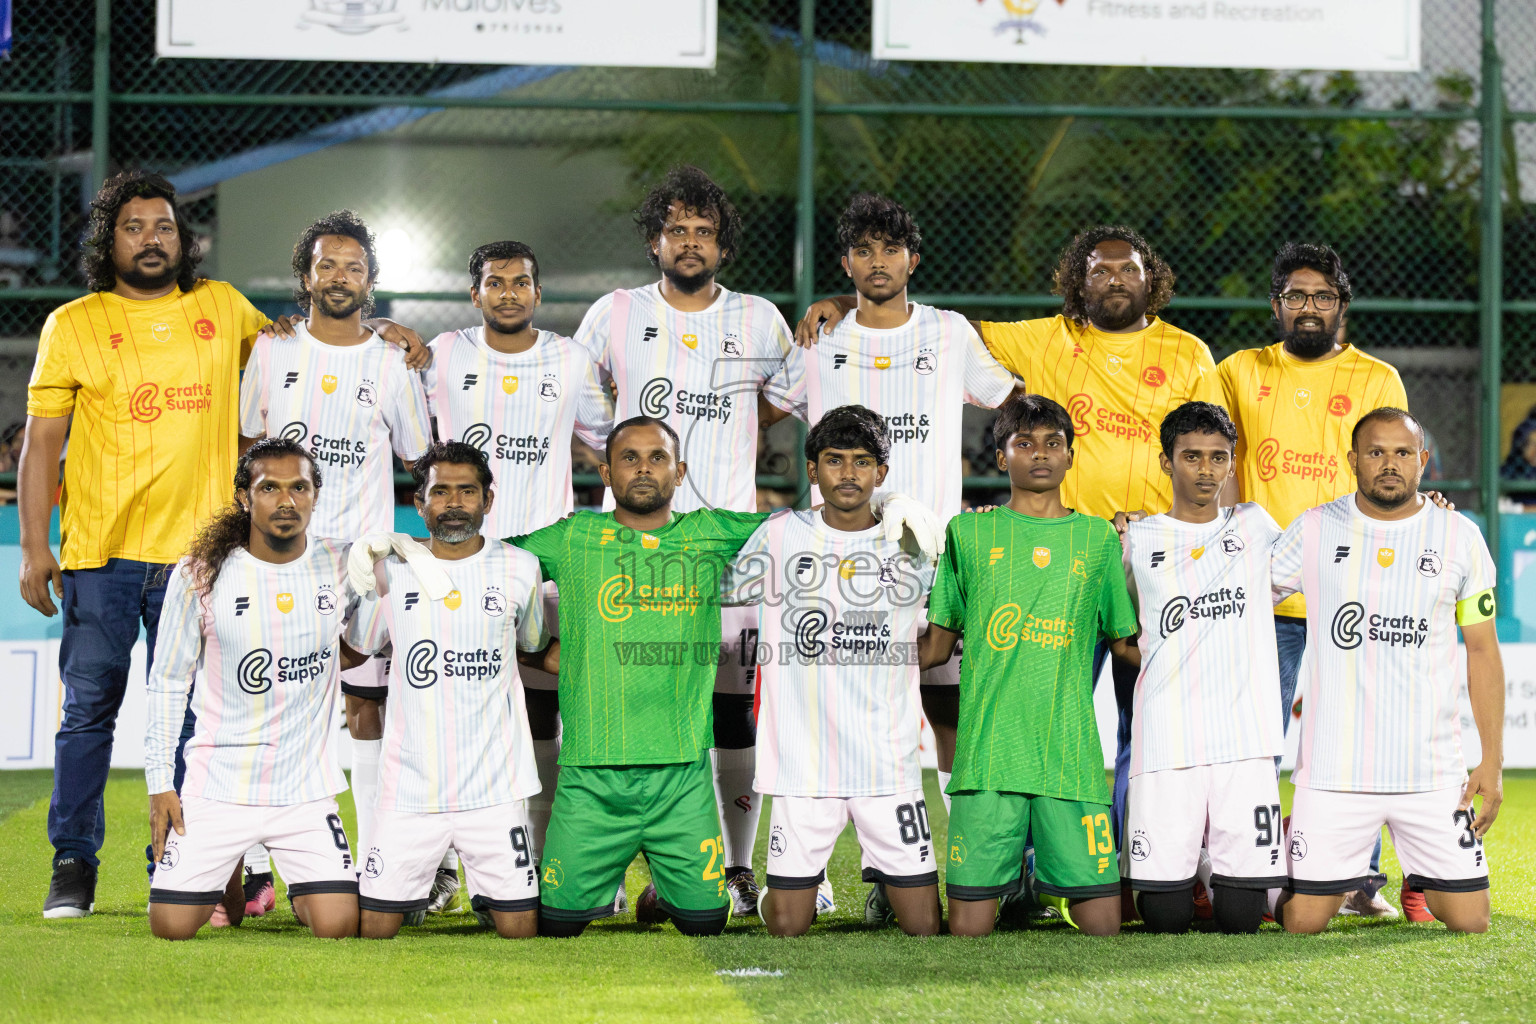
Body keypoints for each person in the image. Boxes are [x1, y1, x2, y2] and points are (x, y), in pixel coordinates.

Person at [797, 225, 1218, 858]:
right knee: (1034, 717)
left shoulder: (1188, 352)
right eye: (1098, 271)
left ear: (1148, 277)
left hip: (1154, 561)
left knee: (1150, 725)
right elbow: (921, 321)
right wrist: (843, 302)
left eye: (1126, 270)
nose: (1113, 280)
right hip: (1060, 556)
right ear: (1078, 280)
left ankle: (1140, 863)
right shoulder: (1043, 337)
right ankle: (1026, 866)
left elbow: (1214, 456)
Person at [499, 416, 938, 936]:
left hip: (683, 771)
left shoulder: (713, 532)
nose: (644, 469)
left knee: (707, 921)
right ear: (605, 471)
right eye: (629, 458)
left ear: (679, 471)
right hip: (590, 768)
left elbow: (826, 520)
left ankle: (674, 885)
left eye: (657, 458)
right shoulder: (571, 537)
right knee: (554, 924)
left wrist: (894, 503)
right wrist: (540, 653)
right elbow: (487, 566)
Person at [22, 171, 272, 919]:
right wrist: (36, 546)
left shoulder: (222, 307)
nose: (151, 238)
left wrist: (381, 332)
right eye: (134, 227)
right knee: (88, 712)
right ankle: (73, 864)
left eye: (163, 226)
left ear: (182, 238)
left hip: (198, 559)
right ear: (110, 240)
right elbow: (42, 446)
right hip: (100, 554)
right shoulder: (73, 323)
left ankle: (182, 862)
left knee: (200, 720)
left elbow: (310, 354)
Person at [763, 195, 1023, 842]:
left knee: (949, 706)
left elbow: (1009, 401)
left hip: (933, 554)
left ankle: (969, 851)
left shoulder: (948, 331)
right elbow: (765, 412)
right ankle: (828, 865)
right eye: (864, 250)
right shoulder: (822, 338)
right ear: (846, 262)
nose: (878, 262)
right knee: (835, 712)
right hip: (837, 560)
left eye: (891, 249)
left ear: (914, 257)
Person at [574, 166, 796, 916]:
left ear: (721, 246)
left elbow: (790, 400)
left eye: (704, 232)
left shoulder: (760, 319)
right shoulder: (614, 312)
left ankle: (735, 868)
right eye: (678, 230)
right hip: (629, 548)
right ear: (654, 240)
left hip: (723, 550)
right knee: (621, 695)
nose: (691, 243)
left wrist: (736, 431)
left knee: (730, 708)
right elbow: (576, 399)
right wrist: (615, 465)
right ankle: (599, 872)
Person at [237, 209, 434, 917]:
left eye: (354, 267)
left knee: (367, 708)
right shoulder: (272, 350)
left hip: (367, 564)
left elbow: (419, 457)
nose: (340, 277)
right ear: (306, 276)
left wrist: (412, 349)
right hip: (287, 562)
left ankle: (379, 863)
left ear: (371, 283)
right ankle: (262, 866)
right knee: (280, 703)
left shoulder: (390, 360)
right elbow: (250, 454)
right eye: (327, 265)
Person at [1218, 242, 1409, 918]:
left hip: (1351, 595)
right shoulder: (1238, 371)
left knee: (1357, 742)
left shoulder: (1378, 378)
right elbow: (1210, 468)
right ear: (1276, 305)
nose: (1308, 307)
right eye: (1295, 296)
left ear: (1341, 307)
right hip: (1262, 596)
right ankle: (1252, 873)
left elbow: (1392, 477)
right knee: (1256, 745)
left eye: (1321, 296)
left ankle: (1360, 880)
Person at [423, 240, 614, 888]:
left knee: (548, 716)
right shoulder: (443, 354)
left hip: (545, 571)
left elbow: (606, 444)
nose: (509, 293)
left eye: (521, 282)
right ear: (474, 294)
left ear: (538, 292)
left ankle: (554, 860)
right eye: (495, 283)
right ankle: (441, 864)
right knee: (446, 712)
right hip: (456, 565)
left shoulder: (570, 358)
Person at [1272, 408, 1503, 934]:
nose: (1389, 464)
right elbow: (1240, 595)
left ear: (1423, 461)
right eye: (1375, 452)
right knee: (1303, 923)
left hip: (1433, 775)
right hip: (1335, 772)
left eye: (1403, 453)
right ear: (1352, 460)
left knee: (1471, 922)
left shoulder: (1460, 538)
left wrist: (1491, 760)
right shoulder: (1312, 529)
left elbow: (1484, 652)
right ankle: (1269, 870)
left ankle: (1416, 873)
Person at [921, 394, 1140, 938]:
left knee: (1104, 928)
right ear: (1001, 458)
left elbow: (1126, 645)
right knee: (967, 931)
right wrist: (857, 642)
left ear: (1070, 456)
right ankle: (1015, 887)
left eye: (1052, 443)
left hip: (1069, 761)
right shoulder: (967, 533)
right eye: (1024, 444)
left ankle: (1044, 887)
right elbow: (935, 648)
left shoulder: (1097, 541)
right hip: (988, 762)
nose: (1039, 454)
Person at [724, 405, 941, 936]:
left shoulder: (913, 541)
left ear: (881, 473)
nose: (848, 473)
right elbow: (723, 588)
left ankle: (889, 887)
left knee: (926, 927)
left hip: (885, 765)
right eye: (834, 460)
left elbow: (946, 626)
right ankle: (786, 886)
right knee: (787, 927)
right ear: (812, 468)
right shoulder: (777, 536)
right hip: (805, 768)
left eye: (863, 462)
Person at [144, 437, 359, 940]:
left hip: (304, 792)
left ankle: (300, 880)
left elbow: (365, 643)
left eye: (299, 487)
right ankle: (230, 874)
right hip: (219, 786)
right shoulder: (200, 573)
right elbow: (168, 681)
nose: (286, 501)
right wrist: (160, 783)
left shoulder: (341, 564)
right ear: (245, 496)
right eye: (270, 488)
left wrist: (376, 577)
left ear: (315, 494)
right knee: (170, 927)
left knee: (339, 925)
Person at [346, 442, 548, 939]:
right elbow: (356, 650)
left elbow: (533, 645)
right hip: (411, 787)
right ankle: (423, 885)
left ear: (488, 500)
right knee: (374, 928)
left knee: (520, 928)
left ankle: (485, 890)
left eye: (467, 491)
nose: (454, 503)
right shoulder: (389, 569)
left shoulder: (521, 567)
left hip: (493, 787)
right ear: (420, 504)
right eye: (440, 492)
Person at [1119, 402, 1285, 934]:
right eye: (1192, 457)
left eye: (1218, 458)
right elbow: (1121, 634)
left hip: (1244, 739)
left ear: (1232, 463)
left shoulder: (1256, 527)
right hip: (1169, 737)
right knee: (1165, 918)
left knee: (1242, 919)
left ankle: (1211, 864)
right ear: (1167, 462)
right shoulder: (1135, 540)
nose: (1206, 470)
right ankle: (1188, 866)